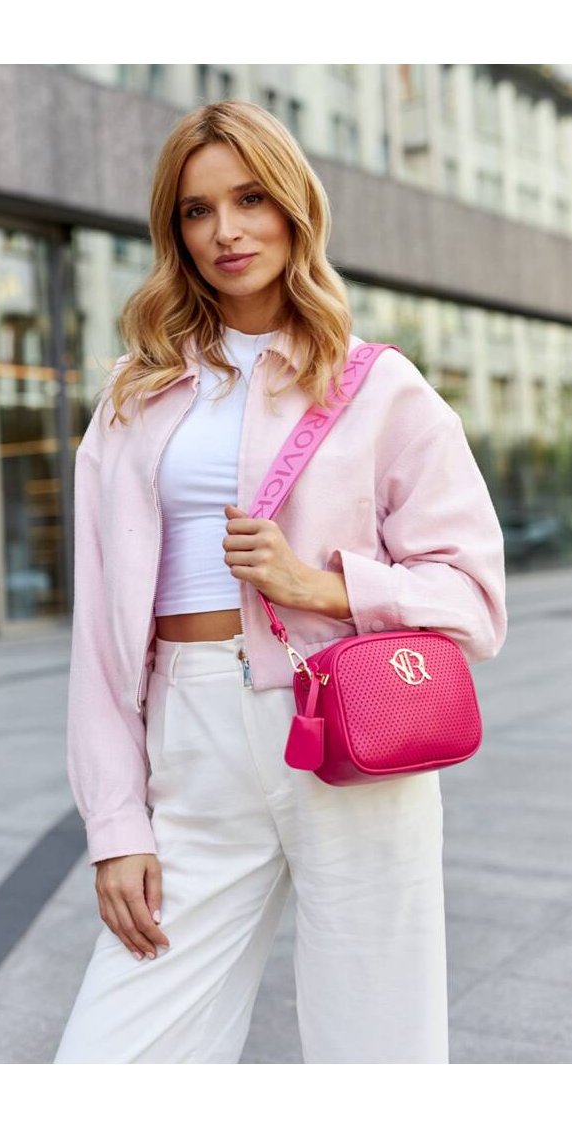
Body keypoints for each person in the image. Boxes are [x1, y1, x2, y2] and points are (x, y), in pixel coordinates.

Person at [53, 99, 506, 1064]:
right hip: (190, 733)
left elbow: (473, 596)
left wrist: (325, 586)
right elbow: (99, 633)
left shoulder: (378, 386)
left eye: (251, 198)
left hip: (346, 730)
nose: (226, 230)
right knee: (113, 1052)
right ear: (175, 231)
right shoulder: (136, 395)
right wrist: (116, 823)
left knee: (377, 1046)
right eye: (198, 210)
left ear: (295, 206)